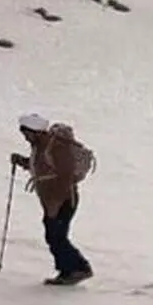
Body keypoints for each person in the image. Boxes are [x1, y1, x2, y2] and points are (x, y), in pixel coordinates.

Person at [12, 113, 94, 286]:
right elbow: (42, 166)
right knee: (54, 235)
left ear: (35, 131)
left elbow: (65, 176)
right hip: (53, 200)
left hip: (63, 200)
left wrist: (55, 205)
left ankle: (79, 268)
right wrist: (22, 162)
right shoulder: (41, 146)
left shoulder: (55, 147)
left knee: (56, 236)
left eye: (26, 133)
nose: (25, 137)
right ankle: (68, 270)